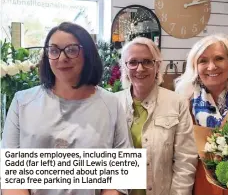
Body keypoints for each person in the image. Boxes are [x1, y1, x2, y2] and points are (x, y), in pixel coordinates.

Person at [2, 22, 132, 195]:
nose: (62, 58)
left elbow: (121, 178)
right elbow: (11, 177)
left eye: (71, 50)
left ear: (88, 54)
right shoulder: (22, 102)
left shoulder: (111, 104)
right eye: (54, 50)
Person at [175, 34, 228, 195]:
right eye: (203, 60)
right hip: (197, 186)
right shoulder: (183, 104)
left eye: (219, 58)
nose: (211, 67)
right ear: (195, 66)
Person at [115, 37, 198, 195]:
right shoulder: (114, 104)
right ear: (125, 67)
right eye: (133, 62)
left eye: (147, 61)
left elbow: (185, 160)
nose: (140, 68)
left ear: (157, 65)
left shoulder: (177, 103)